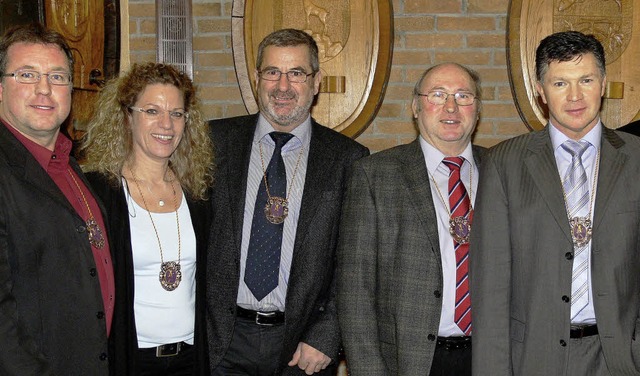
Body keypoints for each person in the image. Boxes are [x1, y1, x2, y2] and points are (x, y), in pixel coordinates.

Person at [471, 30, 640, 375]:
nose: (575, 96)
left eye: (586, 80)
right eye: (560, 83)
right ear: (540, 90)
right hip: (533, 357)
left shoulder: (636, 158)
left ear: (604, 83)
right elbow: (490, 285)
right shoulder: (505, 162)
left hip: (621, 357)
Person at [206, 28, 369, 375]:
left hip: (301, 348)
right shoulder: (213, 143)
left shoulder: (348, 159)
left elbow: (355, 263)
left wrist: (327, 336)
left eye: (296, 73)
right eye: (272, 72)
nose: (283, 86)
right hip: (221, 343)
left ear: (316, 82)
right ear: (257, 78)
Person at [337, 63, 486, 375]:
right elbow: (355, 289)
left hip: (488, 358)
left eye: (463, 96)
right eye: (437, 95)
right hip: (407, 362)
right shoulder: (375, 175)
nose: (451, 106)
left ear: (477, 108)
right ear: (416, 107)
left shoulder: (502, 170)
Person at [81, 62, 214, 375]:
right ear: (128, 117)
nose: (166, 124)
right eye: (152, 111)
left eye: (177, 113)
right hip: (129, 360)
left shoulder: (199, 195)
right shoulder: (100, 195)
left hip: (191, 360)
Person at [0, 23, 115, 375]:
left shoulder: (67, 162)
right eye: (27, 74)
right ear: (0, 88)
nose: (45, 89)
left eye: (58, 77)